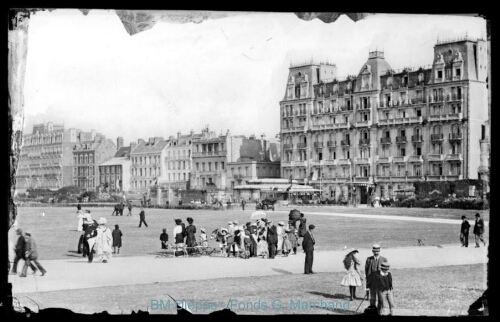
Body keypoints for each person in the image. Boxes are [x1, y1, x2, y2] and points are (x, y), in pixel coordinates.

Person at [365, 244, 388, 311]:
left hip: (380, 283)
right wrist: (368, 281)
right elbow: (366, 271)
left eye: (377, 251)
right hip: (372, 282)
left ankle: (380, 311)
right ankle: (373, 310)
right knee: (372, 298)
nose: (376, 252)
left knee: (381, 298)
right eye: (375, 251)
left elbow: (386, 273)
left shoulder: (384, 259)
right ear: (372, 251)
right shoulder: (369, 259)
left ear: (379, 251)